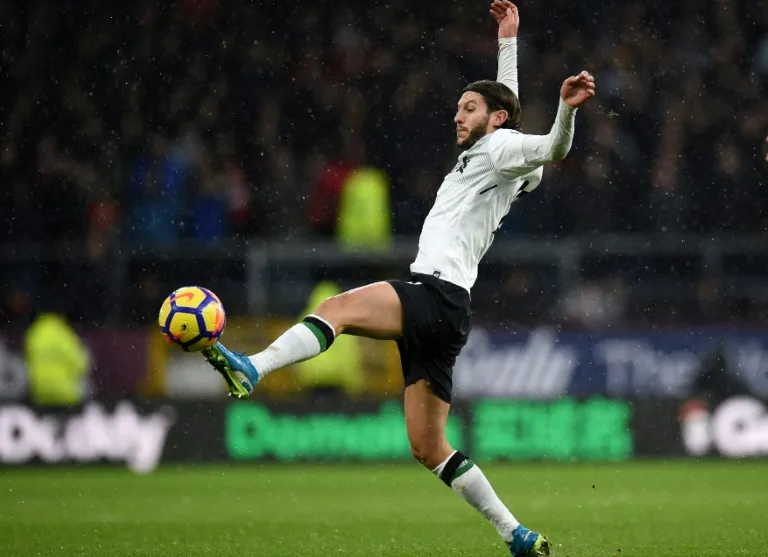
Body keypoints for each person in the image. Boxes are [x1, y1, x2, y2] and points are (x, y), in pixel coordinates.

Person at [202, 2, 595, 555]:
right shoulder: (495, 154)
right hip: (449, 313)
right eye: (457, 108)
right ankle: (516, 534)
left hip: (435, 293)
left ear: (494, 120)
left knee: (336, 309)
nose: (457, 116)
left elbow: (552, 145)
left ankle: (253, 368)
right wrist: (507, 41)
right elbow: (506, 107)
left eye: (468, 108)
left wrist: (565, 110)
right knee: (428, 447)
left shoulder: (502, 148)